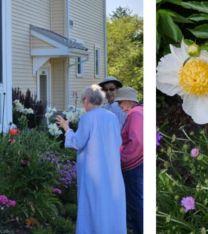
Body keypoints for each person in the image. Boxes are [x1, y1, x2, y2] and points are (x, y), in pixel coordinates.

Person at [56, 84, 126, 234]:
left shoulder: (88, 117)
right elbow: (118, 141)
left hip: (93, 171)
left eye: (83, 102)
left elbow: (77, 142)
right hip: (111, 169)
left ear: (87, 100)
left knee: (93, 205)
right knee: (110, 203)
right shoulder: (112, 117)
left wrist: (67, 129)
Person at [115, 87, 143, 234]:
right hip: (136, 162)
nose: (119, 106)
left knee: (135, 202)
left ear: (130, 100)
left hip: (134, 164)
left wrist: (122, 158)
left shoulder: (135, 114)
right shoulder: (139, 112)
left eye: (120, 102)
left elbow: (137, 141)